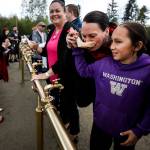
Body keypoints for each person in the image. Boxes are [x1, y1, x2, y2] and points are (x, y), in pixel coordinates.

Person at [73, 21, 150, 150]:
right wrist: (77, 50)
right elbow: (84, 71)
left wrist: (139, 130)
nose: (112, 47)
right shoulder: (104, 63)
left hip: (126, 132)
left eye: (118, 42)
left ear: (137, 46)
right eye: (112, 41)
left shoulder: (147, 71)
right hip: (99, 126)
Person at [30, 0, 80, 142]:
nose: (54, 14)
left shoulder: (70, 30)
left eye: (57, 10)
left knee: (70, 107)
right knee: (59, 107)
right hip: (54, 77)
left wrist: (45, 73)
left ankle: (73, 134)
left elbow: (65, 58)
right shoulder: (52, 30)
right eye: (51, 11)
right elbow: (46, 51)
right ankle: (64, 128)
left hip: (66, 78)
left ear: (65, 12)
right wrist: (35, 47)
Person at [66, 11, 112, 106]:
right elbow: (81, 71)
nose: (87, 40)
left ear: (106, 31)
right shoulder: (82, 46)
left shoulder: (126, 47)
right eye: (84, 36)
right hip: (98, 105)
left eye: (92, 36)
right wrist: (71, 46)